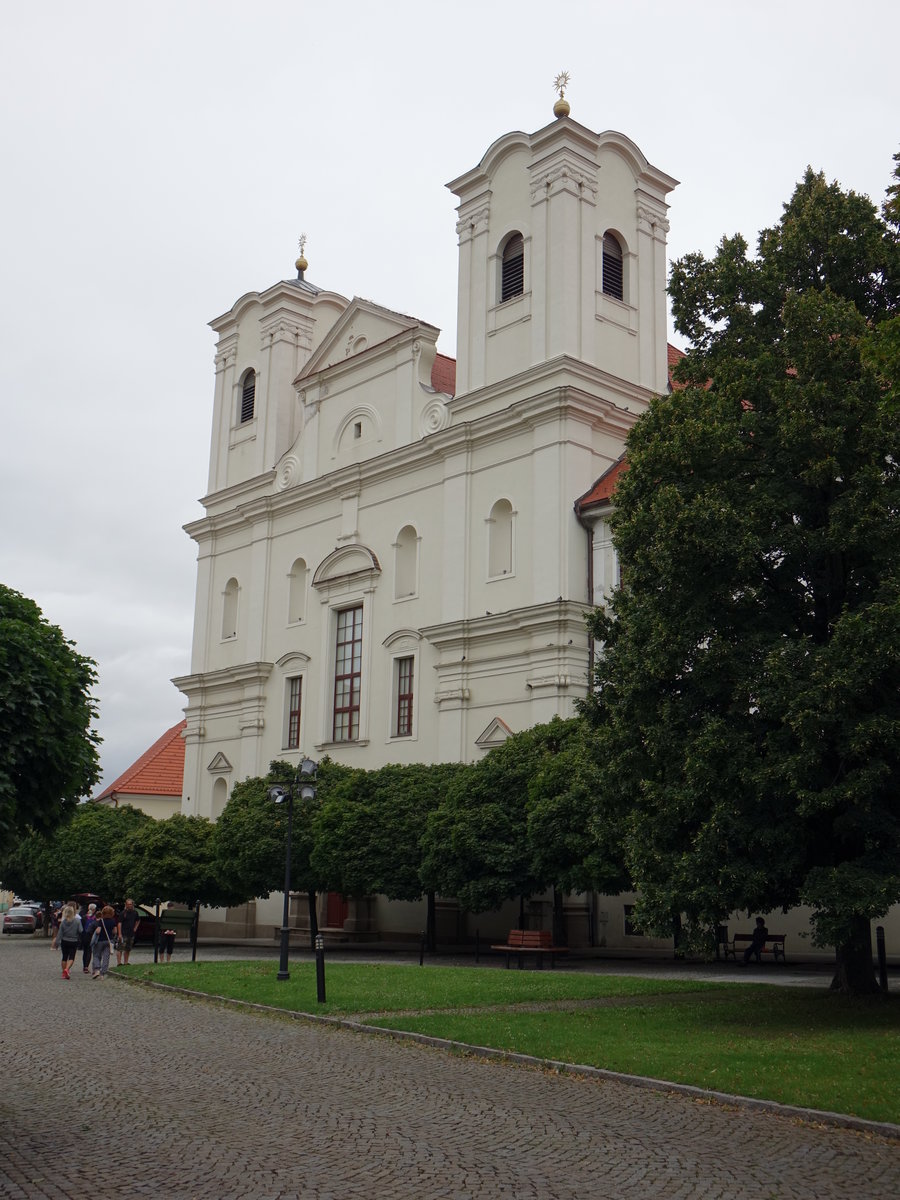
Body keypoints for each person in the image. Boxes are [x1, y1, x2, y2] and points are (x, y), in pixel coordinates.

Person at [52, 904, 82, 980]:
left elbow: (60, 933)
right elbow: (81, 930)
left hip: (64, 941)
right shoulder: (77, 921)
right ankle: (67, 969)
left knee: (64, 957)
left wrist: (57, 943)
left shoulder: (63, 922)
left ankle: (63, 972)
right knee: (71, 957)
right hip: (74, 941)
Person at [92, 905, 117, 979]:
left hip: (100, 940)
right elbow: (115, 931)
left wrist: (96, 932)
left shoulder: (101, 921)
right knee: (106, 957)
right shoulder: (113, 921)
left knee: (96, 955)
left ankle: (97, 970)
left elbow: (98, 931)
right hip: (109, 941)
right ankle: (102, 974)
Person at [116, 898, 141, 965]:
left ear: (132, 904)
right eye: (128, 904)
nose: (129, 905)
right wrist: (119, 934)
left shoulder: (135, 912)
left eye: (130, 904)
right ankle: (119, 963)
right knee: (120, 948)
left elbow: (138, 920)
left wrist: (135, 927)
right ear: (126, 905)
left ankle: (126, 962)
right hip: (123, 933)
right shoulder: (123, 913)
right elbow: (119, 923)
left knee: (128, 949)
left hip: (131, 933)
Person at [80, 903, 98, 974]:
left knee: (85, 951)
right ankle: (87, 966)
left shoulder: (84, 917)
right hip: (92, 936)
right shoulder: (95, 918)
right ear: (94, 909)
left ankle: (85, 966)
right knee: (89, 951)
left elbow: (81, 928)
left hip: (85, 936)